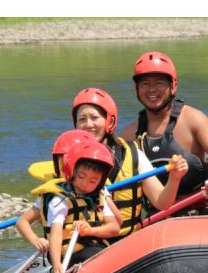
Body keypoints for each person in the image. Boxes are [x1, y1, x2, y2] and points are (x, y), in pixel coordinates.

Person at [118, 51, 208, 215]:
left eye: (159, 83)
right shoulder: (129, 135)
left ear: (173, 86)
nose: (152, 90)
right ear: (137, 89)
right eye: (145, 84)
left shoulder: (193, 119)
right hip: (158, 219)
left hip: (202, 213)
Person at [72, 87, 188, 239]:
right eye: (82, 119)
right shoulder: (69, 159)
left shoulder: (133, 155)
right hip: (85, 243)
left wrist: (174, 178)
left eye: (94, 118)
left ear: (110, 120)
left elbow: (162, 202)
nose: (88, 124)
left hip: (125, 242)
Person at [42, 140, 121, 273]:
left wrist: (91, 231)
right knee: (98, 257)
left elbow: (115, 228)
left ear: (101, 182)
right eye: (81, 177)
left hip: (93, 248)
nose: (85, 184)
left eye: (93, 181)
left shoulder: (100, 198)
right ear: (72, 172)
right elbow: (55, 235)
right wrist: (56, 264)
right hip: (68, 254)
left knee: (108, 256)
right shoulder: (60, 200)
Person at [16, 129, 101, 253]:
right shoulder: (54, 195)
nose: (66, 169)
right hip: (65, 253)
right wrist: (36, 240)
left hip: (93, 246)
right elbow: (22, 222)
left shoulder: (98, 191)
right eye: (63, 164)